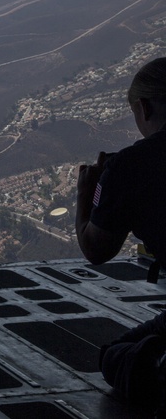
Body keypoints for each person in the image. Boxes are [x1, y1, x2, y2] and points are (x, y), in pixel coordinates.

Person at [76, 57, 166, 412]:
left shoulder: (131, 165)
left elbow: (95, 249)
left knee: (114, 357)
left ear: (143, 107)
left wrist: (87, 193)